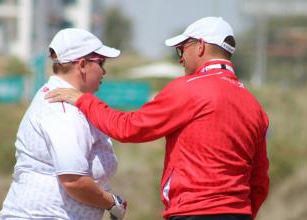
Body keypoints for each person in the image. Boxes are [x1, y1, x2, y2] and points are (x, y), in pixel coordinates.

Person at [45, 17, 269, 220]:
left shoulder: (187, 90)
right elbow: (259, 181)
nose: (181, 59)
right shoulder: (254, 105)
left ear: (200, 46)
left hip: (193, 212)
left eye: (182, 49)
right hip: (239, 213)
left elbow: (128, 128)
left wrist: (84, 101)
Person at [0, 28, 127, 220]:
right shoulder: (63, 108)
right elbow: (73, 180)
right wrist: (112, 202)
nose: (104, 71)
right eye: (101, 62)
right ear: (82, 65)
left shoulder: (62, 98)